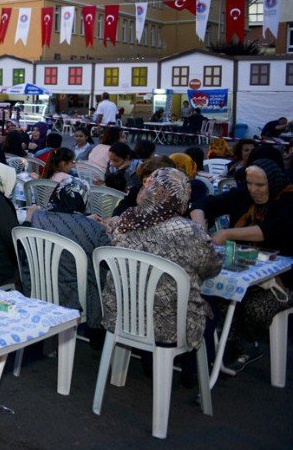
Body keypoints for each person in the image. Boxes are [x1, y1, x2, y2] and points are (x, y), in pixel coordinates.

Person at [101, 167, 222, 383]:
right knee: (209, 308)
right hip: (169, 326)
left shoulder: (125, 221)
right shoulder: (189, 231)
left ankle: (153, 365)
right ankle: (193, 374)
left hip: (123, 314)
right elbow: (211, 268)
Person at [206, 159, 293, 369]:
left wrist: (228, 233)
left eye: (260, 185)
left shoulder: (288, 201)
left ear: (273, 183)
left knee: (256, 309)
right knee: (217, 297)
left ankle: (240, 344)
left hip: (282, 280)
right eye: (249, 183)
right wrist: (200, 223)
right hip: (244, 271)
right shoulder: (242, 195)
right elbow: (207, 204)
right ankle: (227, 346)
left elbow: (273, 230)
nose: (253, 189)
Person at [25, 177, 110, 333]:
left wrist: (83, 221)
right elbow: (109, 261)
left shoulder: (37, 218)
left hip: (37, 288)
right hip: (79, 297)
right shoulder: (93, 228)